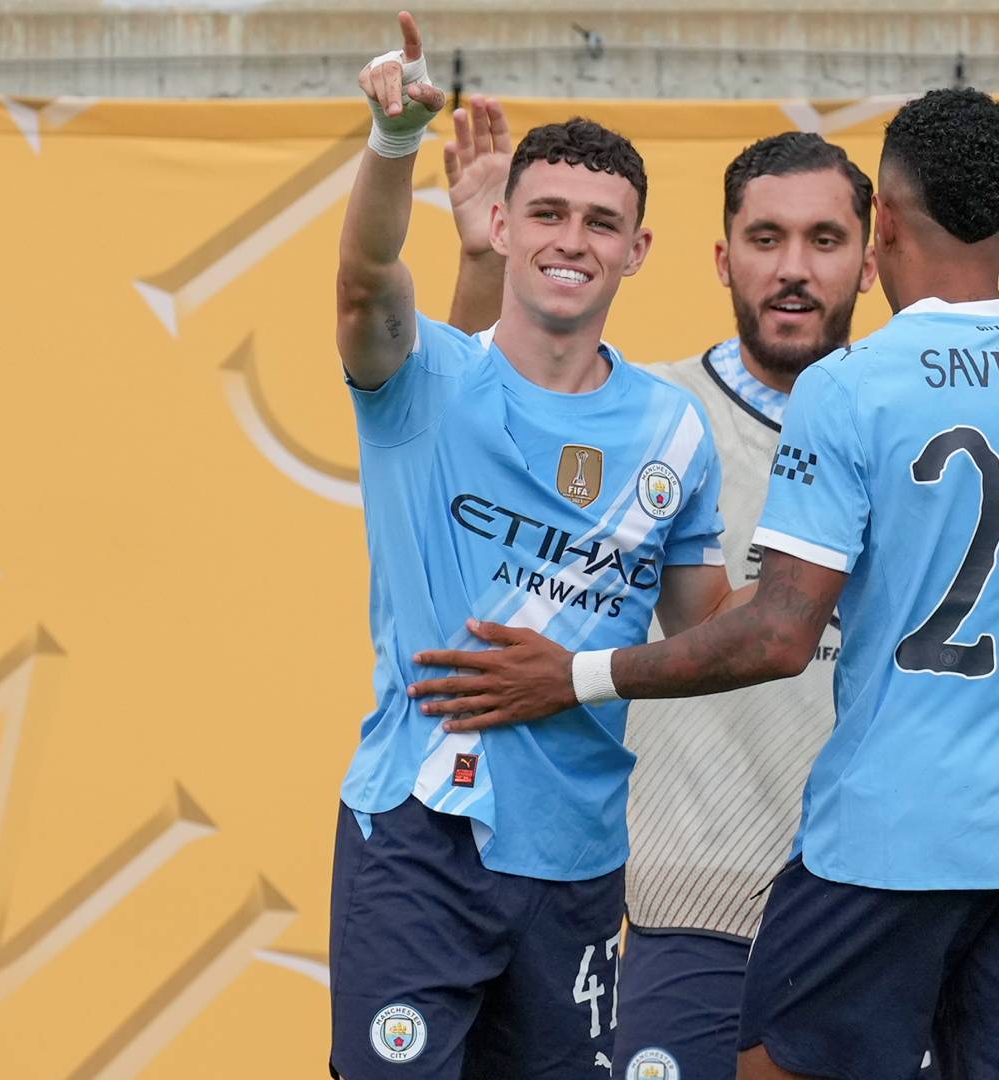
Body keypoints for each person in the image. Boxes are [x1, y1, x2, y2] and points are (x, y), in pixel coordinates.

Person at [408, 86, 999, 1080]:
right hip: (702, 903)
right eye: (765, 237)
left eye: (823, 238)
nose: (795, 268)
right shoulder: (648, 411)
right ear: (721, 257)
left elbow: (962, 645)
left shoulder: (863, 395)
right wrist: (477, 264)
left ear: (872, 243)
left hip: (898, 883)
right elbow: (474, 430)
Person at [327, 13, 734, 1078]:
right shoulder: (426, 384)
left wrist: (839, 581)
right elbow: (368, 278)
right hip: (417, 836)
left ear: (638, 252)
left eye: (602, 223)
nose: (572, 239)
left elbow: (703, 637)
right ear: (502, 228)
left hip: (577, 858)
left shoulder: (675, 431)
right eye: (547, 212)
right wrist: (394, 141)